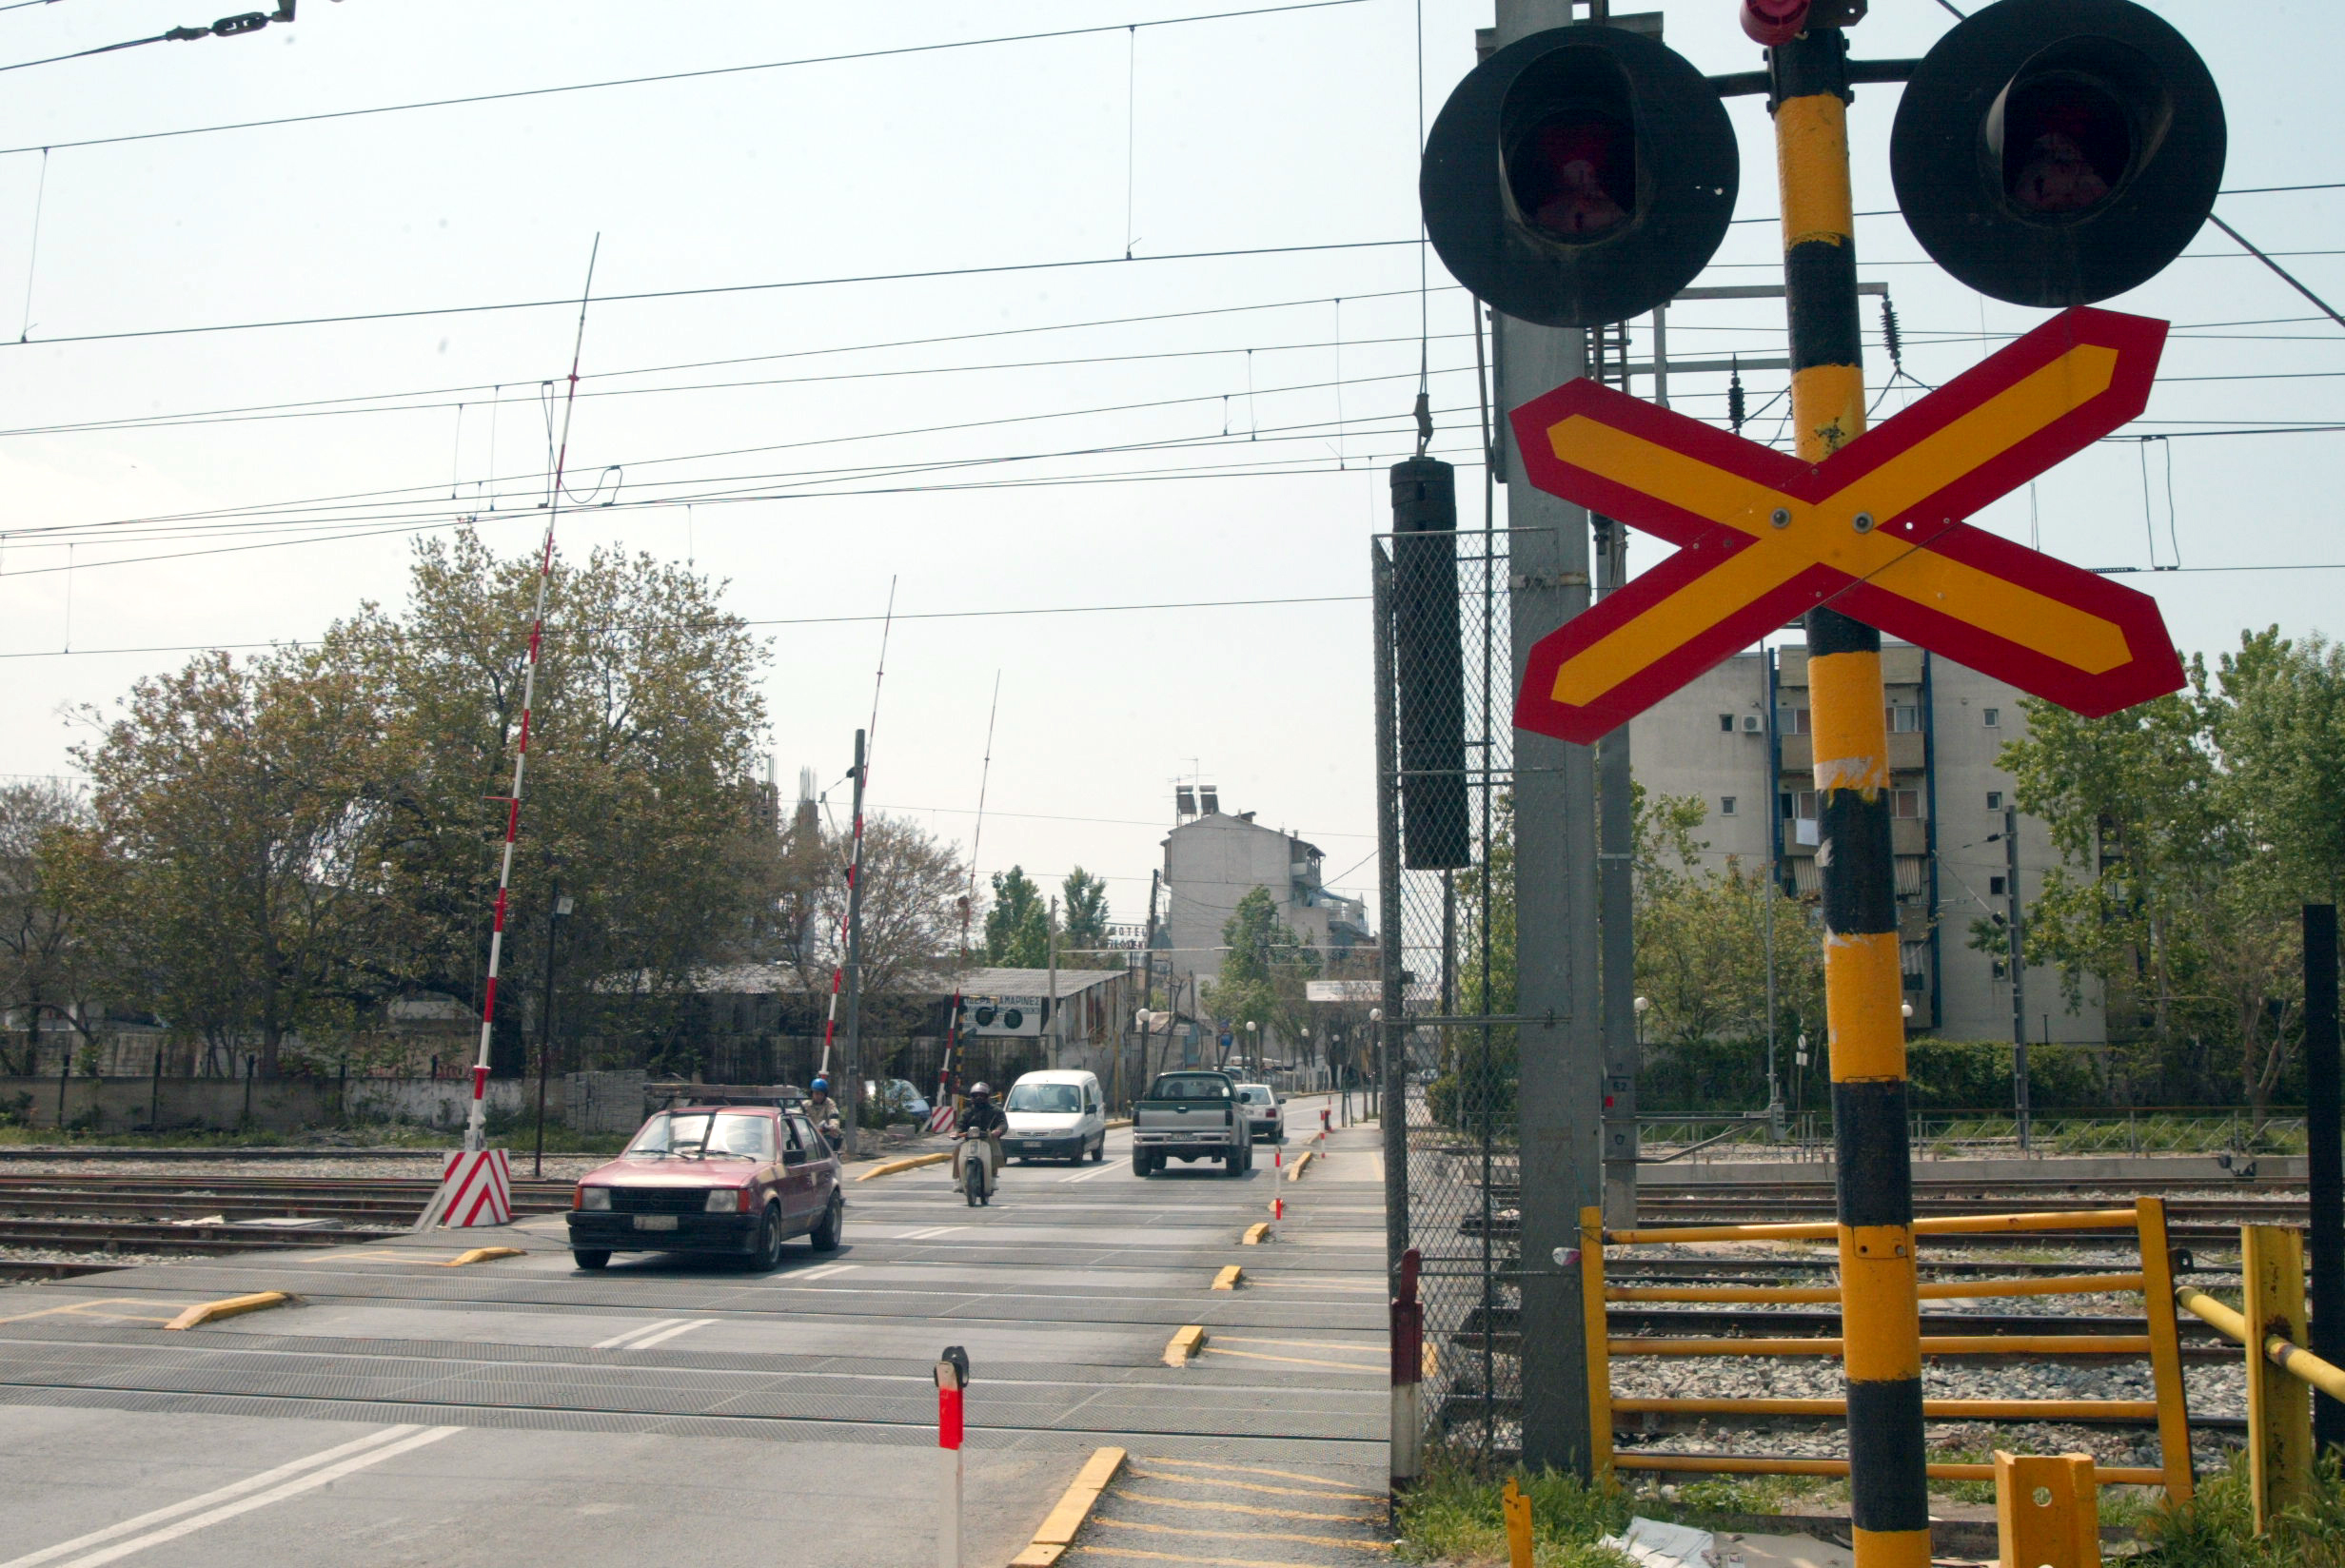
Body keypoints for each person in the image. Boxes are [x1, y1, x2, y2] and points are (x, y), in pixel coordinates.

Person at [954, 1083, 1007, 1204]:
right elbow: (959, 1125)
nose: (979, 1098)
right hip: (969, 1140)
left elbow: (1003, 1123)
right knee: (957, 1149)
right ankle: (958, 1179)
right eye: (976, 1095)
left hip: (988, 1139)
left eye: (982, 1095)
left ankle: (993, 1177)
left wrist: (998, 1130)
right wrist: (956, 1132)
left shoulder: (996, 1111)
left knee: (995, 1148)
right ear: (971, 1097)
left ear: (988, 1097)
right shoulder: (967, 1112)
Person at [804, 1078, 843, 1149]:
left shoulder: (830, 1104)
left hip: (825, 1135)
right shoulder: (805, 1105)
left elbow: (834, 1117)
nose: (819, 1096)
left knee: (828, 1145)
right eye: (816, 1093)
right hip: (809, 1136)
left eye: (821, 1094)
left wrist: (832, 1126)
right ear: (812, 1093)